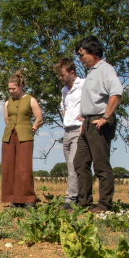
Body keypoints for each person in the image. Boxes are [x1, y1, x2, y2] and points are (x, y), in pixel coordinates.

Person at [74, 36, 123, 213]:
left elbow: (116, 93)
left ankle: (104, 205)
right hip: (87, 123)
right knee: (79, 163)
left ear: (94, 52)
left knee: (101, 165)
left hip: (99, 123)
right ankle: (84, 203)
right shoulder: (92, 72)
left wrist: (105, 117)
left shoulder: (105, 69)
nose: (80, 59)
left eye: (82, 54)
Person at [1, 71, 43, 208]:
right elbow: (7, 119)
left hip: (25, 136)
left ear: (21, 86)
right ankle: (14, 199)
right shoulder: (7, 103)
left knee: (24, 168)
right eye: (9, 89)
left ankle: (29, 199)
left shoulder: (31, 100)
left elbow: (39, 118)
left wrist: (33, 128)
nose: (11, 91)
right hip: (9, 136)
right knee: (9, 167)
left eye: (14, 88)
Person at [55, 58, 85, 210]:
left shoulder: (84, 84)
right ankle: (78, 196)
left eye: (62, 75)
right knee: (70, 166)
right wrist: (67, 118)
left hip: (79, 130)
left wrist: (84, 117)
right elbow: (63, 106)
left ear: (71, 73)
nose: (60, 78)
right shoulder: (64, 90)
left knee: (74, 165)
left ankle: (71, 199)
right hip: (67, 130)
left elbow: (95, 101)